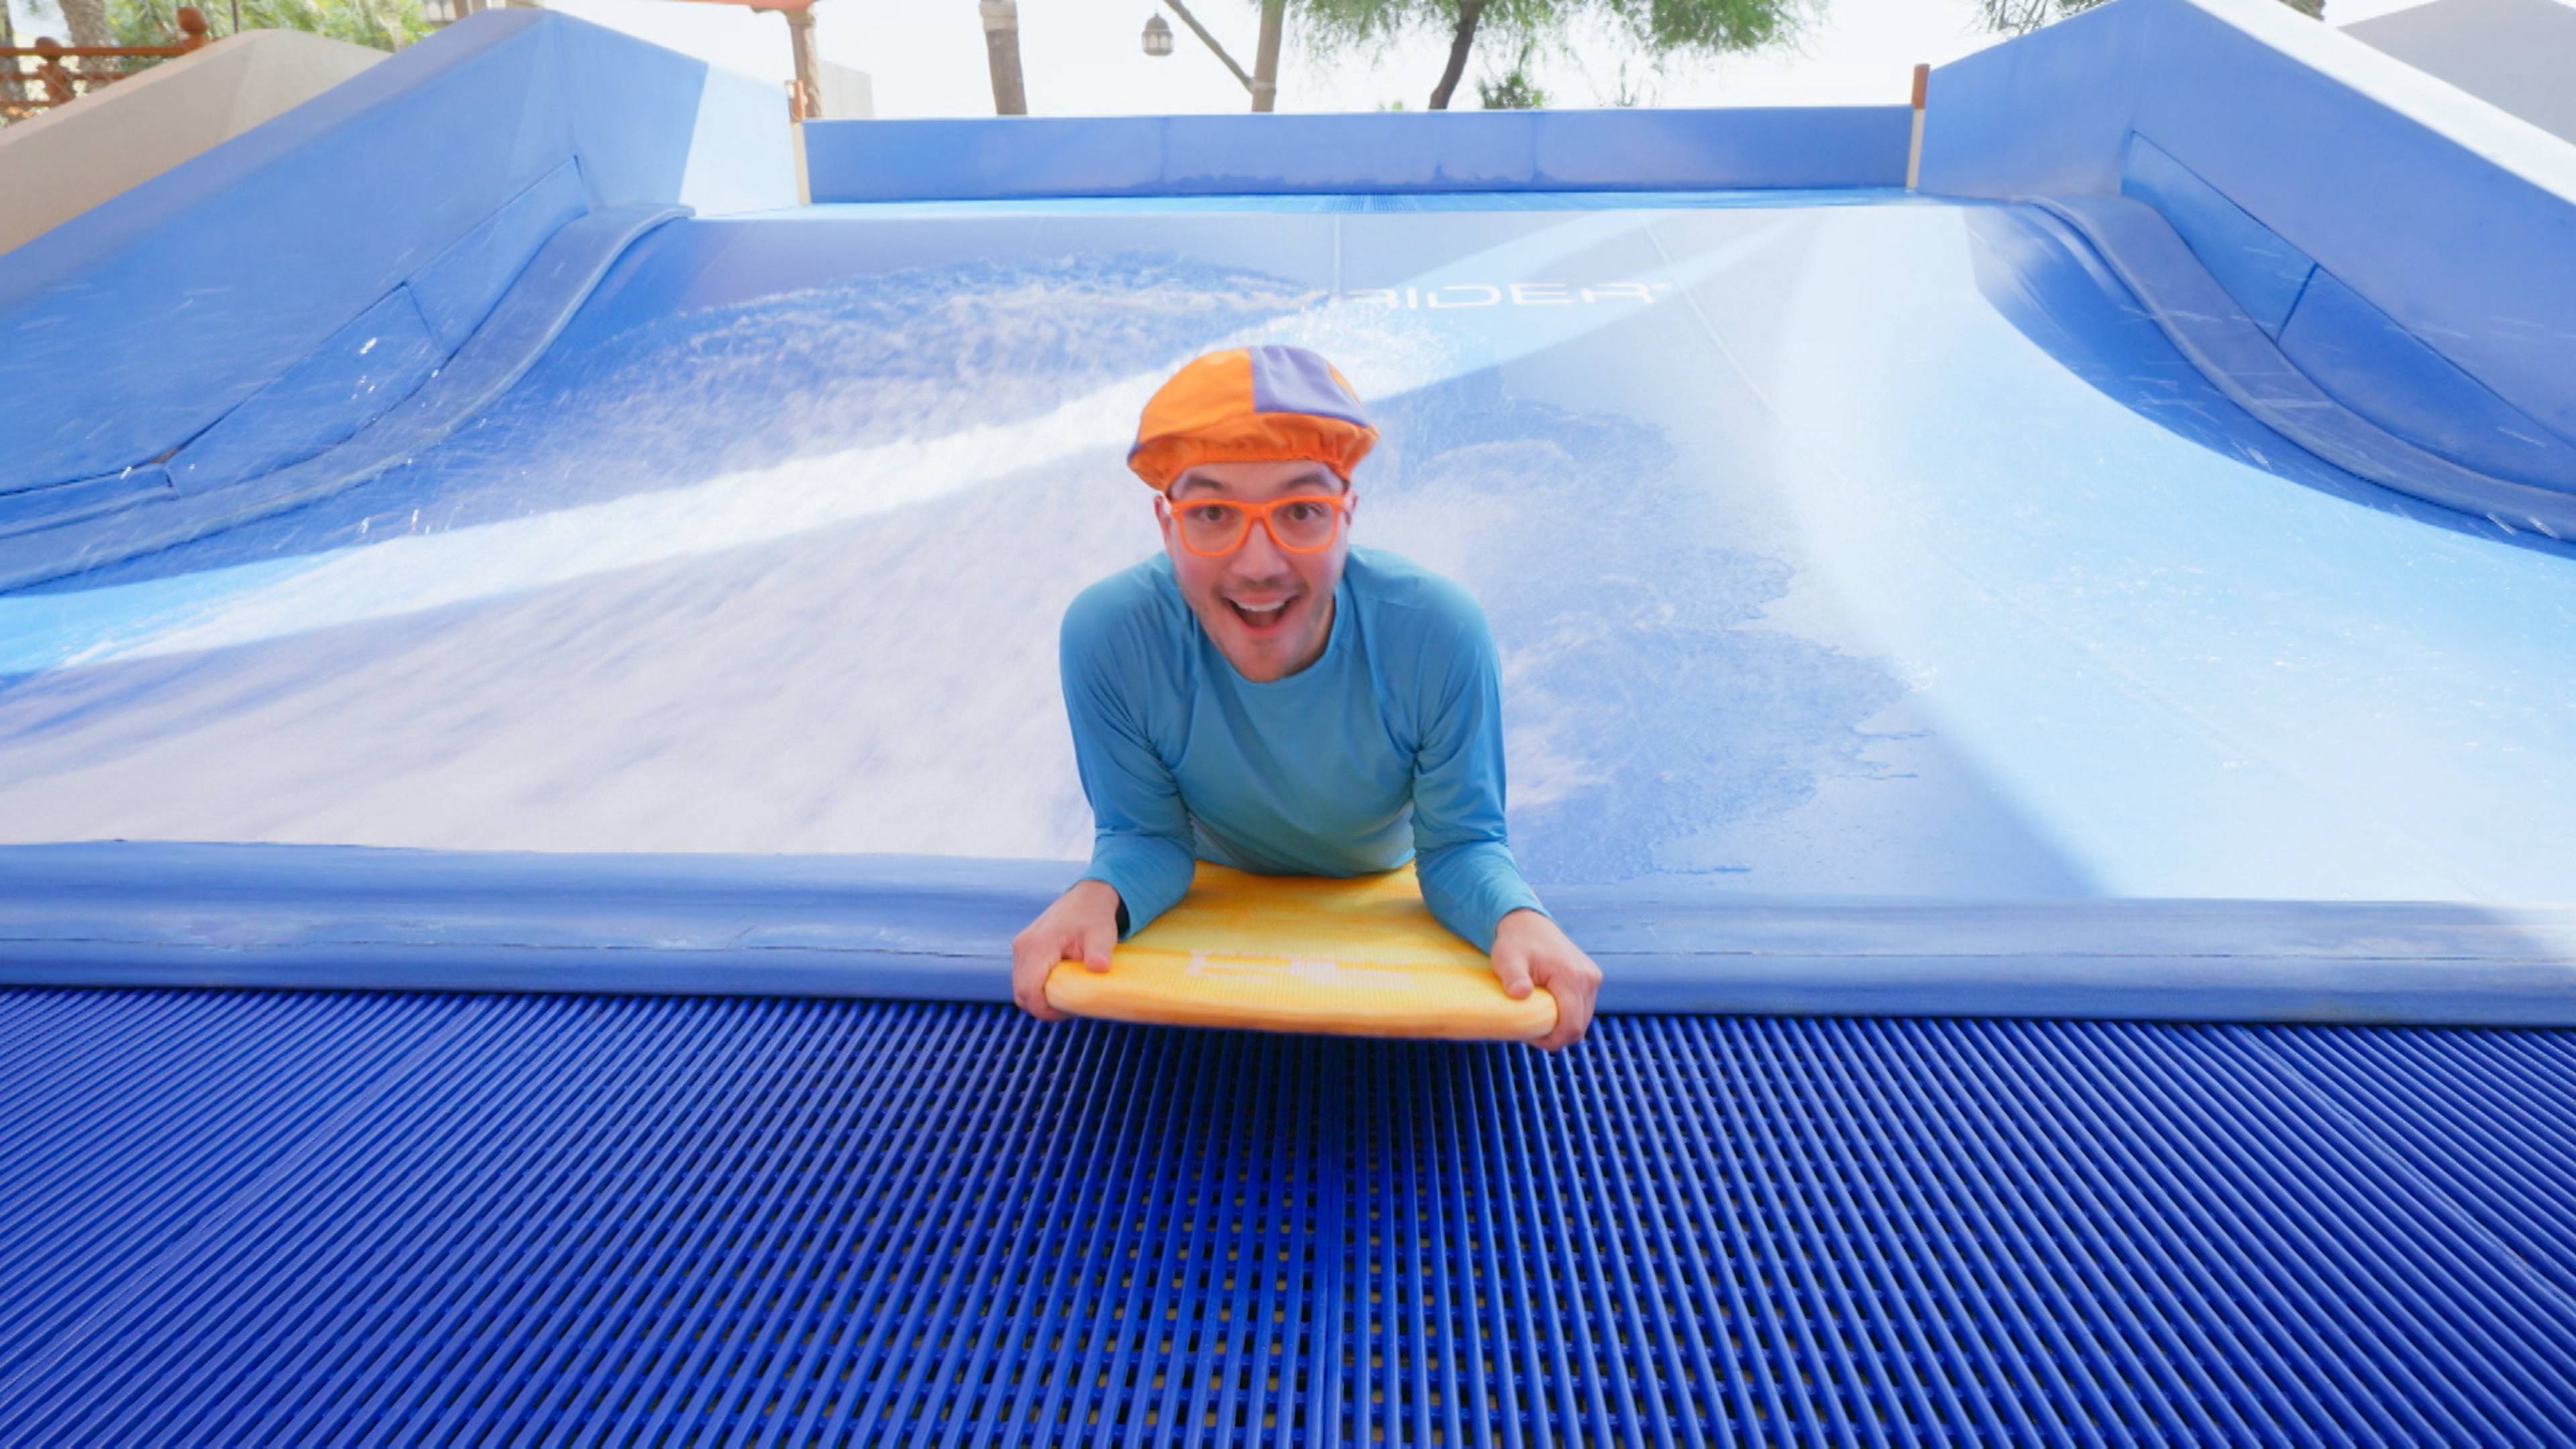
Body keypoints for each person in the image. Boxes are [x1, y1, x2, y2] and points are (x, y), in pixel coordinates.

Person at [1010, 345, 1601, 1050]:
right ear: (1166, 525)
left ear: (1347, 517)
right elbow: (1145, 838)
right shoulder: (1111, 637)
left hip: (1377, 869)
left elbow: (1458, 846)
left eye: (1300, 511)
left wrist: (1516, 917)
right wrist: (1099, 893)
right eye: (1210, 514)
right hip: (1210, 873)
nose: (1258, 564)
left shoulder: (1436, 634)